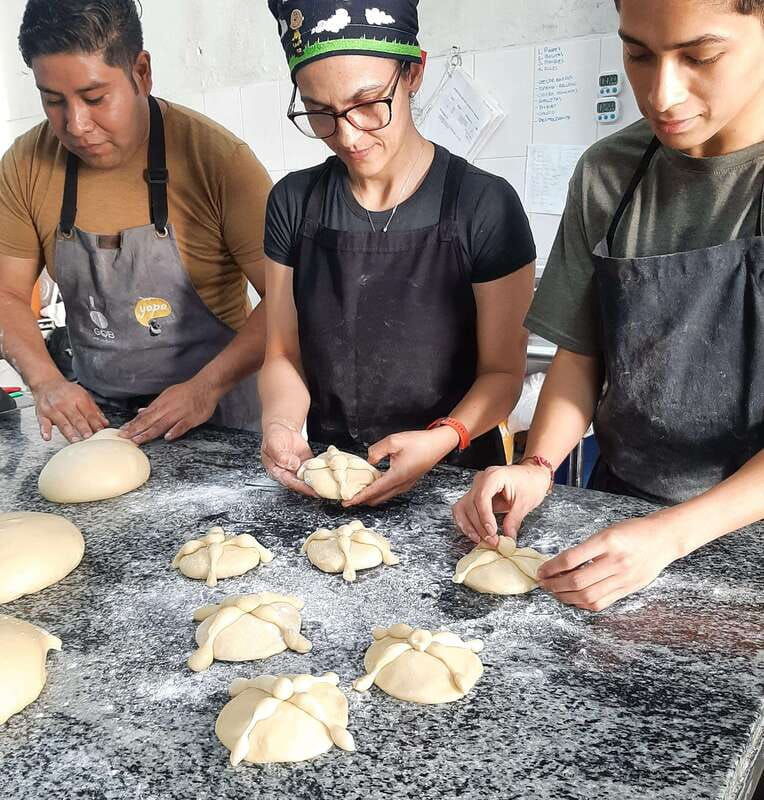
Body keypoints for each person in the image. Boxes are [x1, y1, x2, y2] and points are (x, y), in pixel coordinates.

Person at [453, 0, 764, 611]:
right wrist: (539, 464)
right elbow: (580, 352)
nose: (661, 93)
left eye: (699, 56)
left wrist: (671, 536)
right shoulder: (609, 174)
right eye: (638, 54)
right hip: (619, 508)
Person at [259, 0, 536, 507]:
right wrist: (279, 425)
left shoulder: (484, 205)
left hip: (454, 482)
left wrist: (442, 437)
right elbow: (283, 354)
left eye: (367, 103)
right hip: (332, 477)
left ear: (413, 73)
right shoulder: (292, 203)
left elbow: (502, 374)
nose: (347, 135)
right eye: (319, 111)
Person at [0, 0, 271, 444]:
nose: (76, 124)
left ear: (141, 72)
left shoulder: (218, 161)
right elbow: (8, 294)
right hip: (98, 422)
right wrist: (46, 382)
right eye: (53, 101)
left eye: (94, 98)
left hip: (219, 422)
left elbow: (287, 299)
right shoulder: (25, 165)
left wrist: (207, 387)